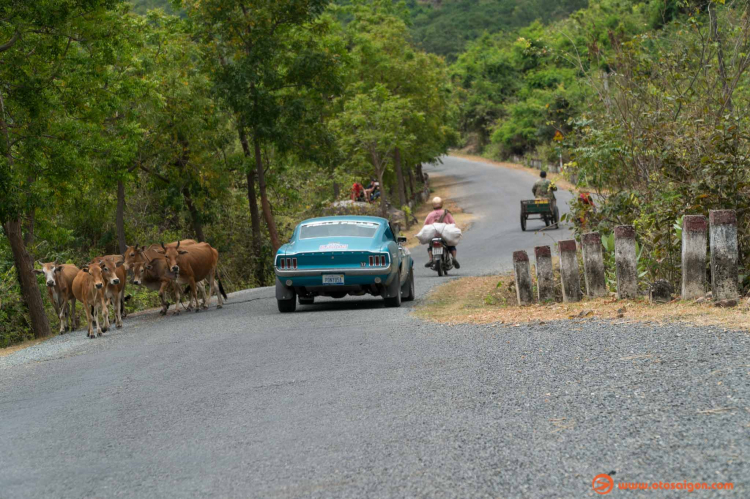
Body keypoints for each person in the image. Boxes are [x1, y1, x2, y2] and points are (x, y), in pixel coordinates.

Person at [423, 197, 460, 269]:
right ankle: (454, 258)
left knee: (430, 247)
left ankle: (430, 259)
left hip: (434, 235)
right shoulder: (446, 213)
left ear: (433, 205)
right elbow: (453, 223)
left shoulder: (430, 215)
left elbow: (425, 225)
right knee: (451, 246)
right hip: (445, 235)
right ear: (442, 204)